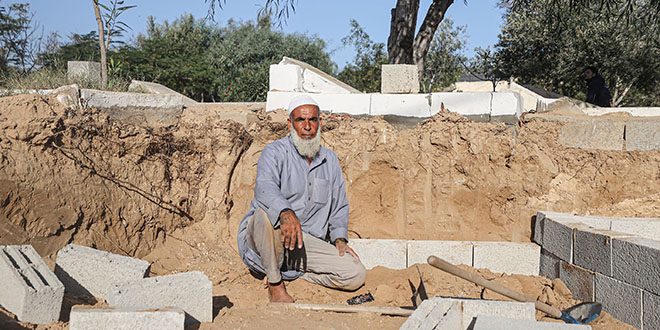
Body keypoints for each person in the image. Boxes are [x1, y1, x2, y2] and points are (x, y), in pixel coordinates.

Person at [236, 95, 366, 302]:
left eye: (312, 120)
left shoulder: (330, 160)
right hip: (268, 237)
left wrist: (339, 239)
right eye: (300, 120)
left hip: (304, 244)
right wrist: (285, 212)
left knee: (355, 274)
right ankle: (276, 285)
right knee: (264, 213)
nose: (307, 126)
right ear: (290, 123)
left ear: (319, 123)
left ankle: (291, 272)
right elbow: (264, 188)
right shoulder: (274, 152)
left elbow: (339, 205)